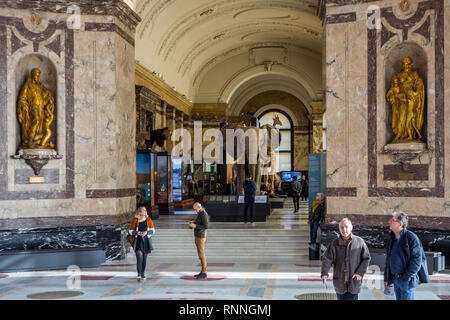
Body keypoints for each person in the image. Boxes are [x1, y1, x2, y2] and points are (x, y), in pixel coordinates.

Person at [321, 218, 371, 300]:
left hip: (353, 283)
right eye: (342, 227)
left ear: (351, 228)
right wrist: (324, 273)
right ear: (339, 229)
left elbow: (366, 258)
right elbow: (327, 259)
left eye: (346, 227)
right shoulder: (334, 243)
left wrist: (360, 272)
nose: (344, 229)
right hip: (339, 283)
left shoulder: (359, 242)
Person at [384, 212, 429, 300]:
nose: (389, 222)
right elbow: (388, 259)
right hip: (395, 279)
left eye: (393, 220)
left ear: (400, 224)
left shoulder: (411, 237)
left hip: (406, 280)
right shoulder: (391, 238)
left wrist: (406, 277)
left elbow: (417, 260)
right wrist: (387, 278)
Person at [128, 206, 155, 281]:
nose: (146, 211)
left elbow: (153, 230)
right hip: (138, 241)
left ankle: (143, 273)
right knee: (139, 257)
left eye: (146, 210)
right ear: (140, 212)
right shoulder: (135, 220)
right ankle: (139, 274)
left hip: (146, 241)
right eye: (144, 210)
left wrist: (146, 232)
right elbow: (130, 231)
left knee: (144, 258)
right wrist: (138, 232)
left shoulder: (148, 220)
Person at [189, 202, 209, 279]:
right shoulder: (200, 213)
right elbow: (199, 223)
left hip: (201, 236)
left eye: (195, 209)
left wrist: (195, 225)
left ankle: (204, 272)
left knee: (201, 254)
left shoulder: (203, 213)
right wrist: (193, 223)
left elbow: (206, 226)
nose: (195, 210)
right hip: (198, 236)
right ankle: (202, 271)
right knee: (200, 254)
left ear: (199, 207)